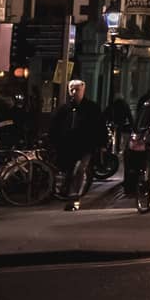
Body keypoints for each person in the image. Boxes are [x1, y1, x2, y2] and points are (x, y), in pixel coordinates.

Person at [48, 80, 105, 210]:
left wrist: (101, 144)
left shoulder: (92, 108)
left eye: (77, 90)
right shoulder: (64, 109)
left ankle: (74, 199)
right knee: (68, 172)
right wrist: (53, 141)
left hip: (85, 146)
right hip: (68, 146)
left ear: (83, 91)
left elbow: (99, 126)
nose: (74, 92)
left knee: (79, 169)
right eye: (72, 89)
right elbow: (55, 126)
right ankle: (69, 194)